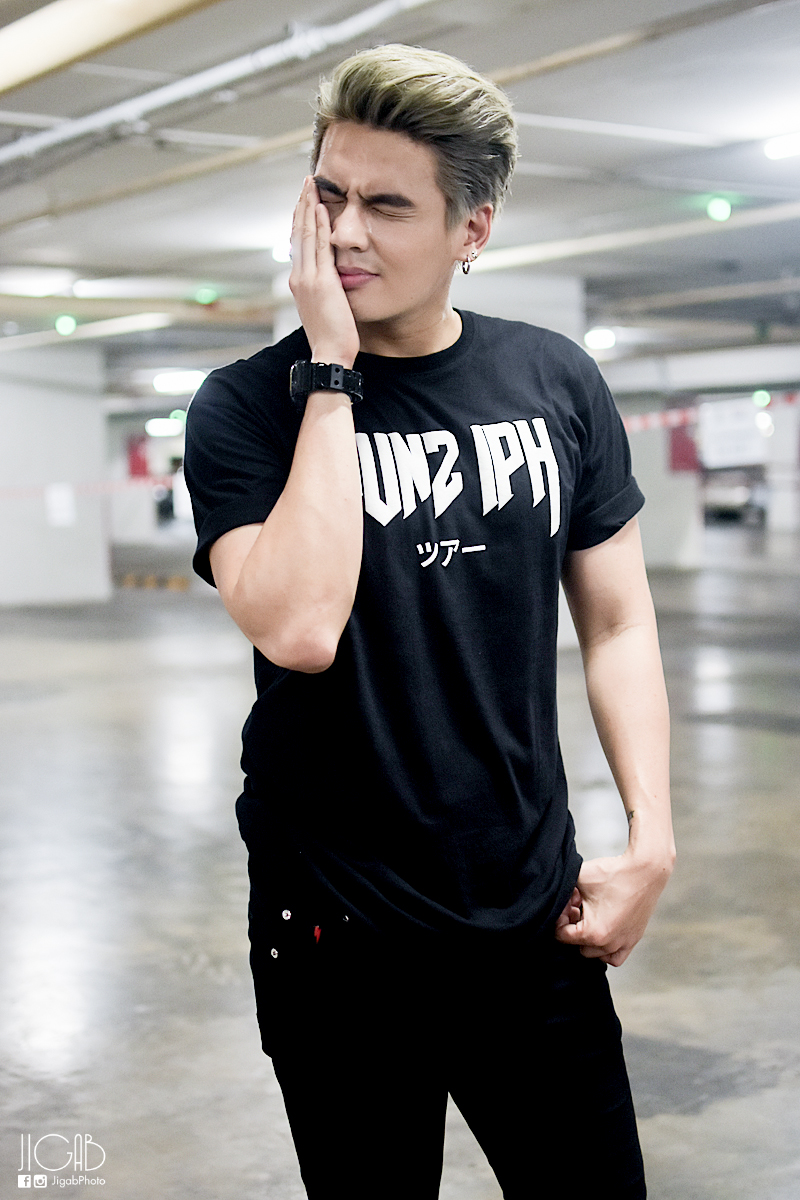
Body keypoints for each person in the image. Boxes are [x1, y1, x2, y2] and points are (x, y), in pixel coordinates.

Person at [184, 43, 675, 1200]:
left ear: (472, 230)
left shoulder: (553, 380)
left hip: (530, 910)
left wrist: (649, 836)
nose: (344, 233)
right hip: (333, 927)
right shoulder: (246, 406)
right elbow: (298, 627)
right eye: (328, 195)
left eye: (387, 205)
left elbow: (617, 624)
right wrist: (330, 371)